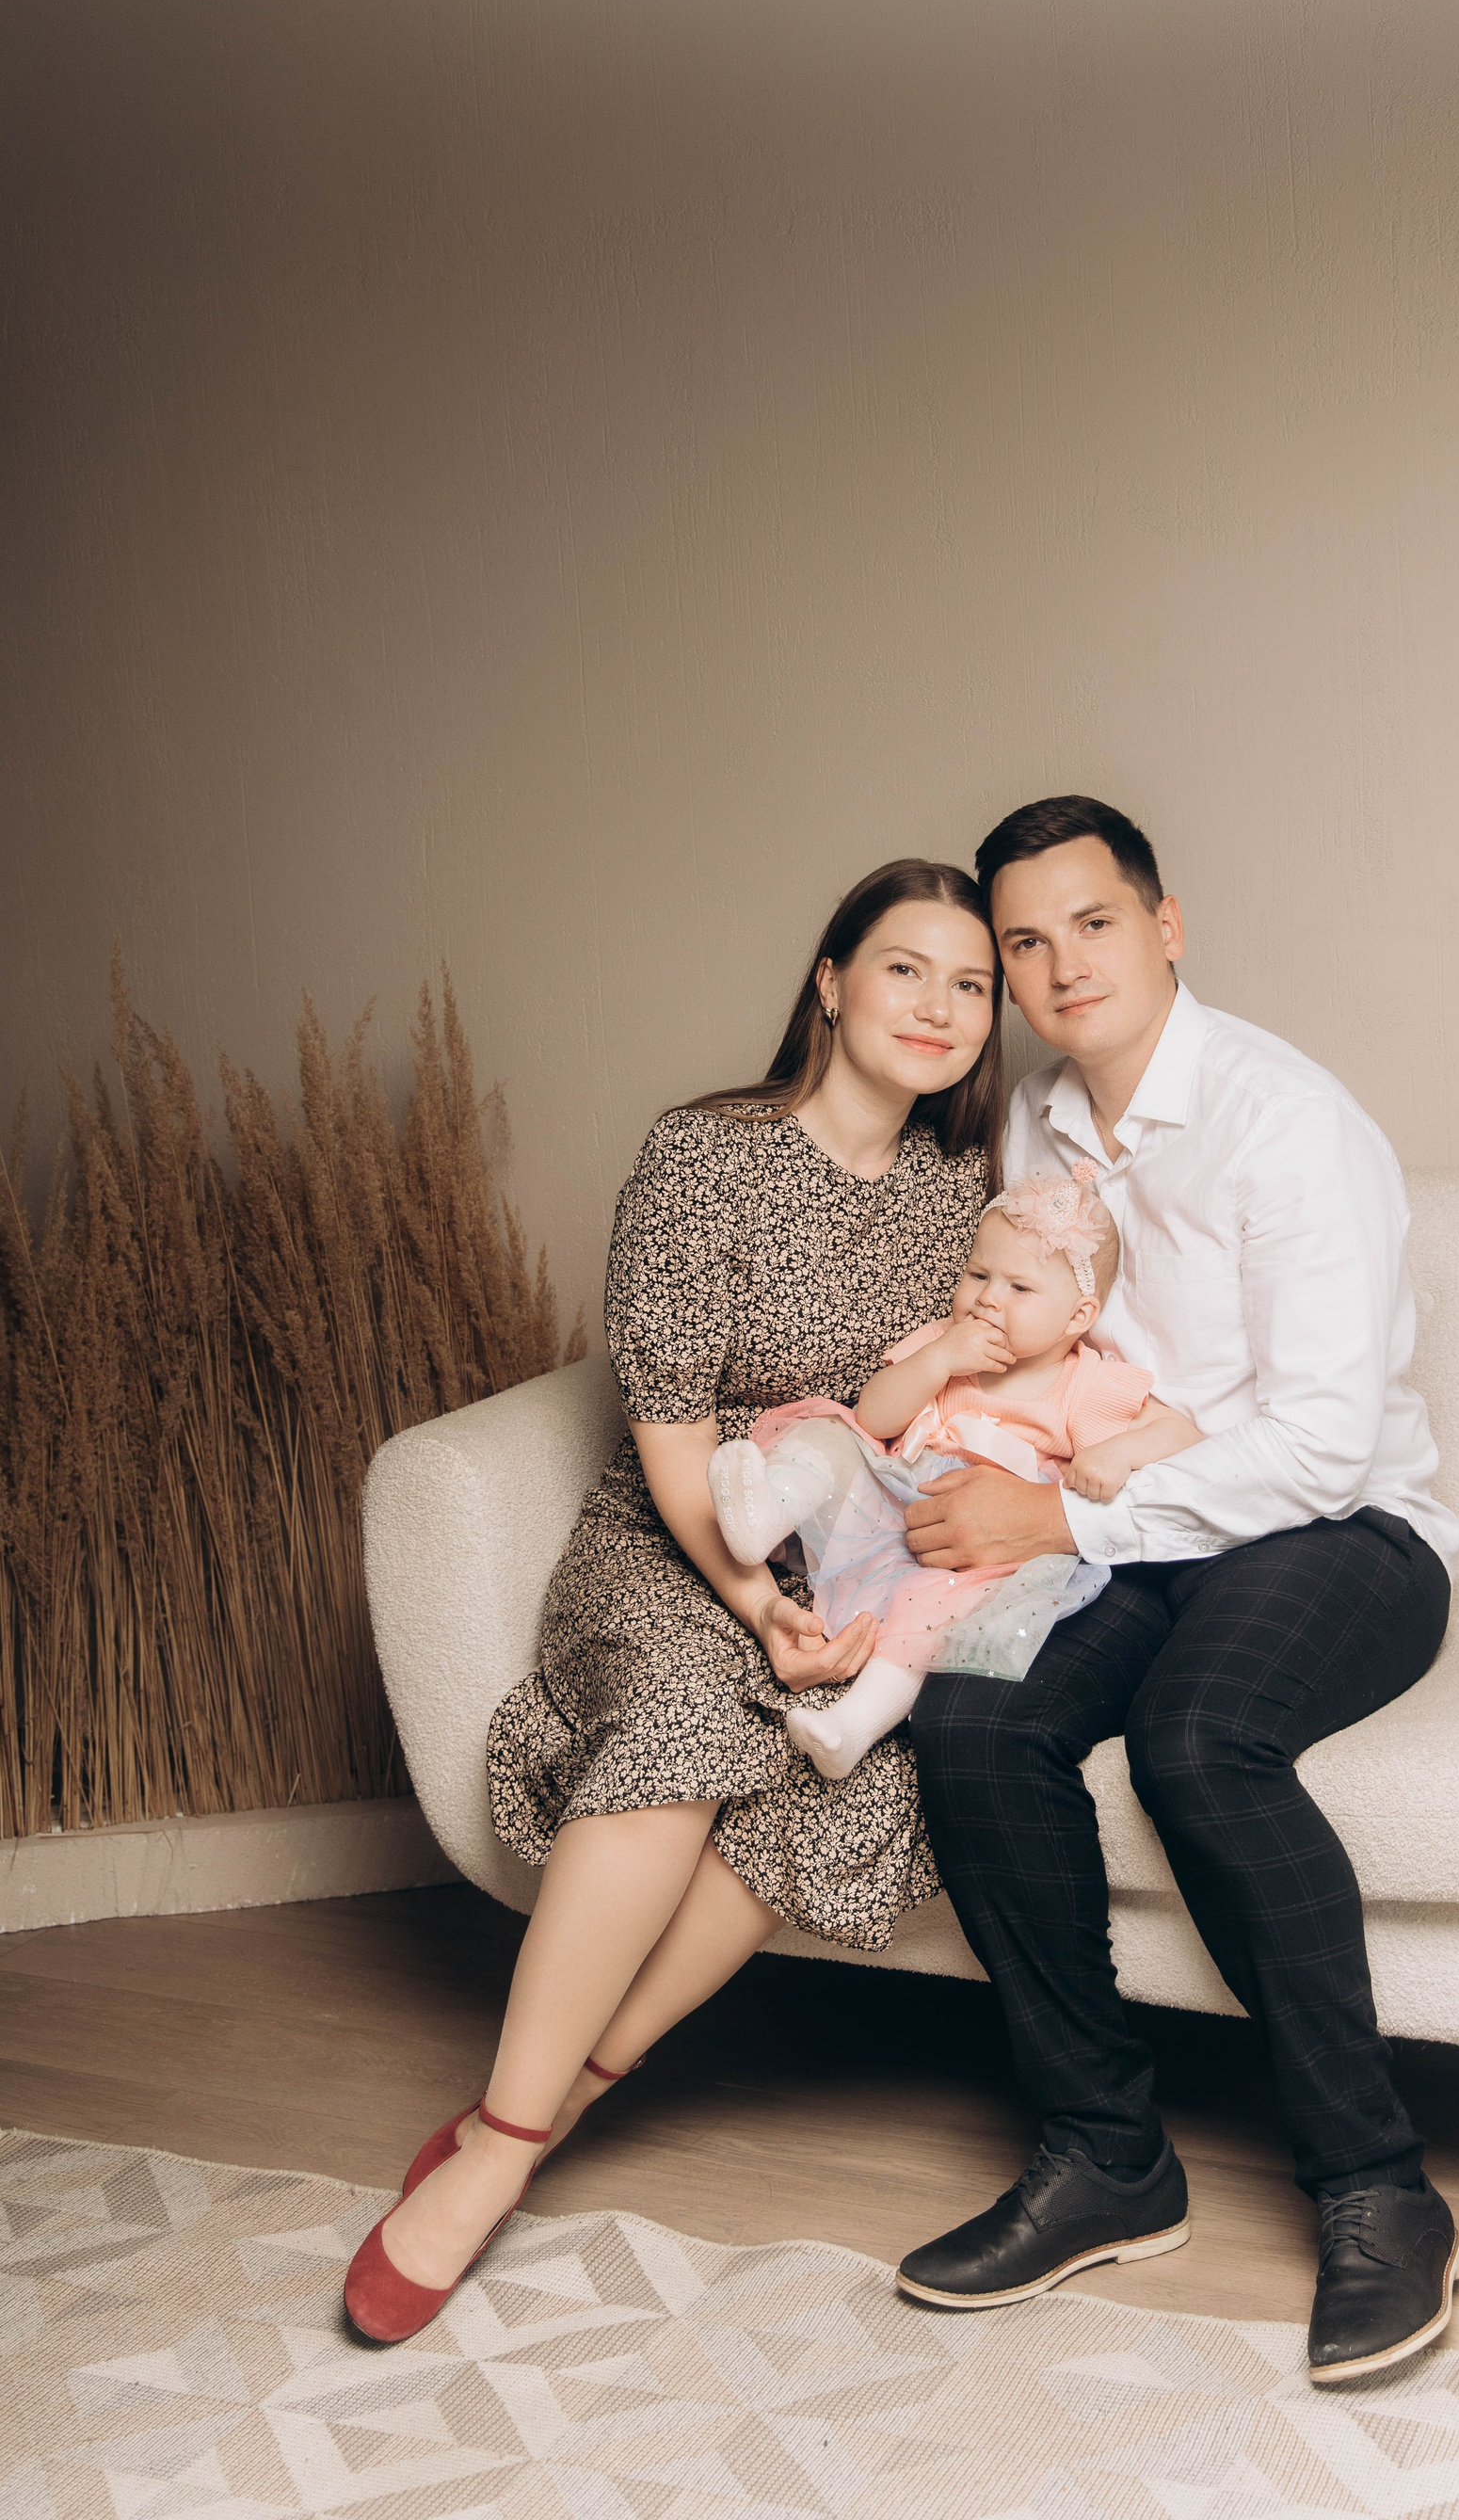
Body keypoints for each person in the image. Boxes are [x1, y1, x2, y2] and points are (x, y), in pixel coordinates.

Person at [344, 856, 1001, 2345]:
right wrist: (754, 1605)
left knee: (850, 1786)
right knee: (687, 1727)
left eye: (970, 985)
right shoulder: (702, 1154)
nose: (939, 1007)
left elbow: (949, 1403)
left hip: (847, 1557)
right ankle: (496, 2152)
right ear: (830, 983)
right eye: (906, 969)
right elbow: (670, 1424)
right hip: (682, 1540)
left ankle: (558, 2101)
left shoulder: (957, 1193)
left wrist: (867, 1588)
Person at [896, 796, 1459, 2386]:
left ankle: (1379, 2190)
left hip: (1343, 1529)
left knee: (1199, 1741)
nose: (1062, 965)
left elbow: (1320, 1443)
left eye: (1094, 923)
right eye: (1025, 942)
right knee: (973, 1714)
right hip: (1133, 1521)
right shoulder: (1033, 1121)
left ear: (1165, 926)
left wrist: (1063, 1509)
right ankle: (1105, 2155)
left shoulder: (1287, 1122)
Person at [709, 1167, 1201, 1778]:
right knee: (830, 1434)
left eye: (1020, 1287)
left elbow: (1183, 1434)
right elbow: (874, 1416)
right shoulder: (944, 1342)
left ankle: (850, 1726)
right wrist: (940, 1359)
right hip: (889, 1505)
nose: (989, 1297)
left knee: (930, 1613)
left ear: (1078, 1316)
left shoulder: (1087, 1383)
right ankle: (761, 1521)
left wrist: (1117, 1452)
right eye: (978, 1274)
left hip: (974, 1555)